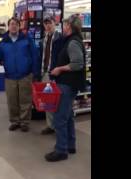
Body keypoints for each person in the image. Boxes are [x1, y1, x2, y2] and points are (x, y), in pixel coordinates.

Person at [45, 14, 86, 162]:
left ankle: (61, 150)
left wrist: (59, 69)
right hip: (68, 84)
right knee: (68, 116)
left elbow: (77, 63)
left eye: (65, 24)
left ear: (70, 26)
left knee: (60, 117)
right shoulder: (71, 40)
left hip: (67, 85)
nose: (63, 27)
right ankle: (70, 144)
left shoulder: (73, 42)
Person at [0, 17, 40, 132]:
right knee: (12, 100)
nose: (13, 26)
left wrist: (35, 73)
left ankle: (24, 122)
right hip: (10, 76)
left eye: (16, 24)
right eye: (11, 24)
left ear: (19, 26)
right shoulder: (3, 42)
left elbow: (35, 56)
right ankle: (14, 121)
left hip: (25, 75)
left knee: (25, 100)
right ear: (8, 26)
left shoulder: (27, 39)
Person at [39, 16, 62, 135]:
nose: (48, 26)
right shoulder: (43, 40)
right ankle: (50, 125)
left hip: (56, 74)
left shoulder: (60, 38)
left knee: (58, 102)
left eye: (50, 23)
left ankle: (59, 127)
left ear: (55, 24)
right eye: (46, 23)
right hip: (45, 73)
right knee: (47, 101)